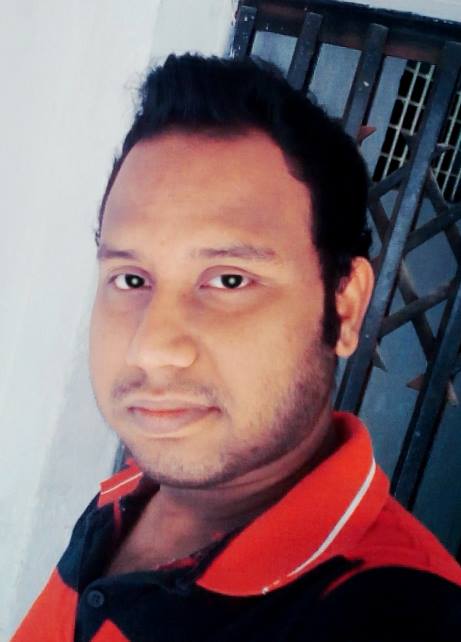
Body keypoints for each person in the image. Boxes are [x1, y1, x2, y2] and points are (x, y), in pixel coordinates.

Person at [12, 53, 461, 642]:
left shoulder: (399, 610)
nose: (152, 348)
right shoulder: (127, 497)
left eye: (228, 280)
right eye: (131, 278)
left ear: (345, 305)